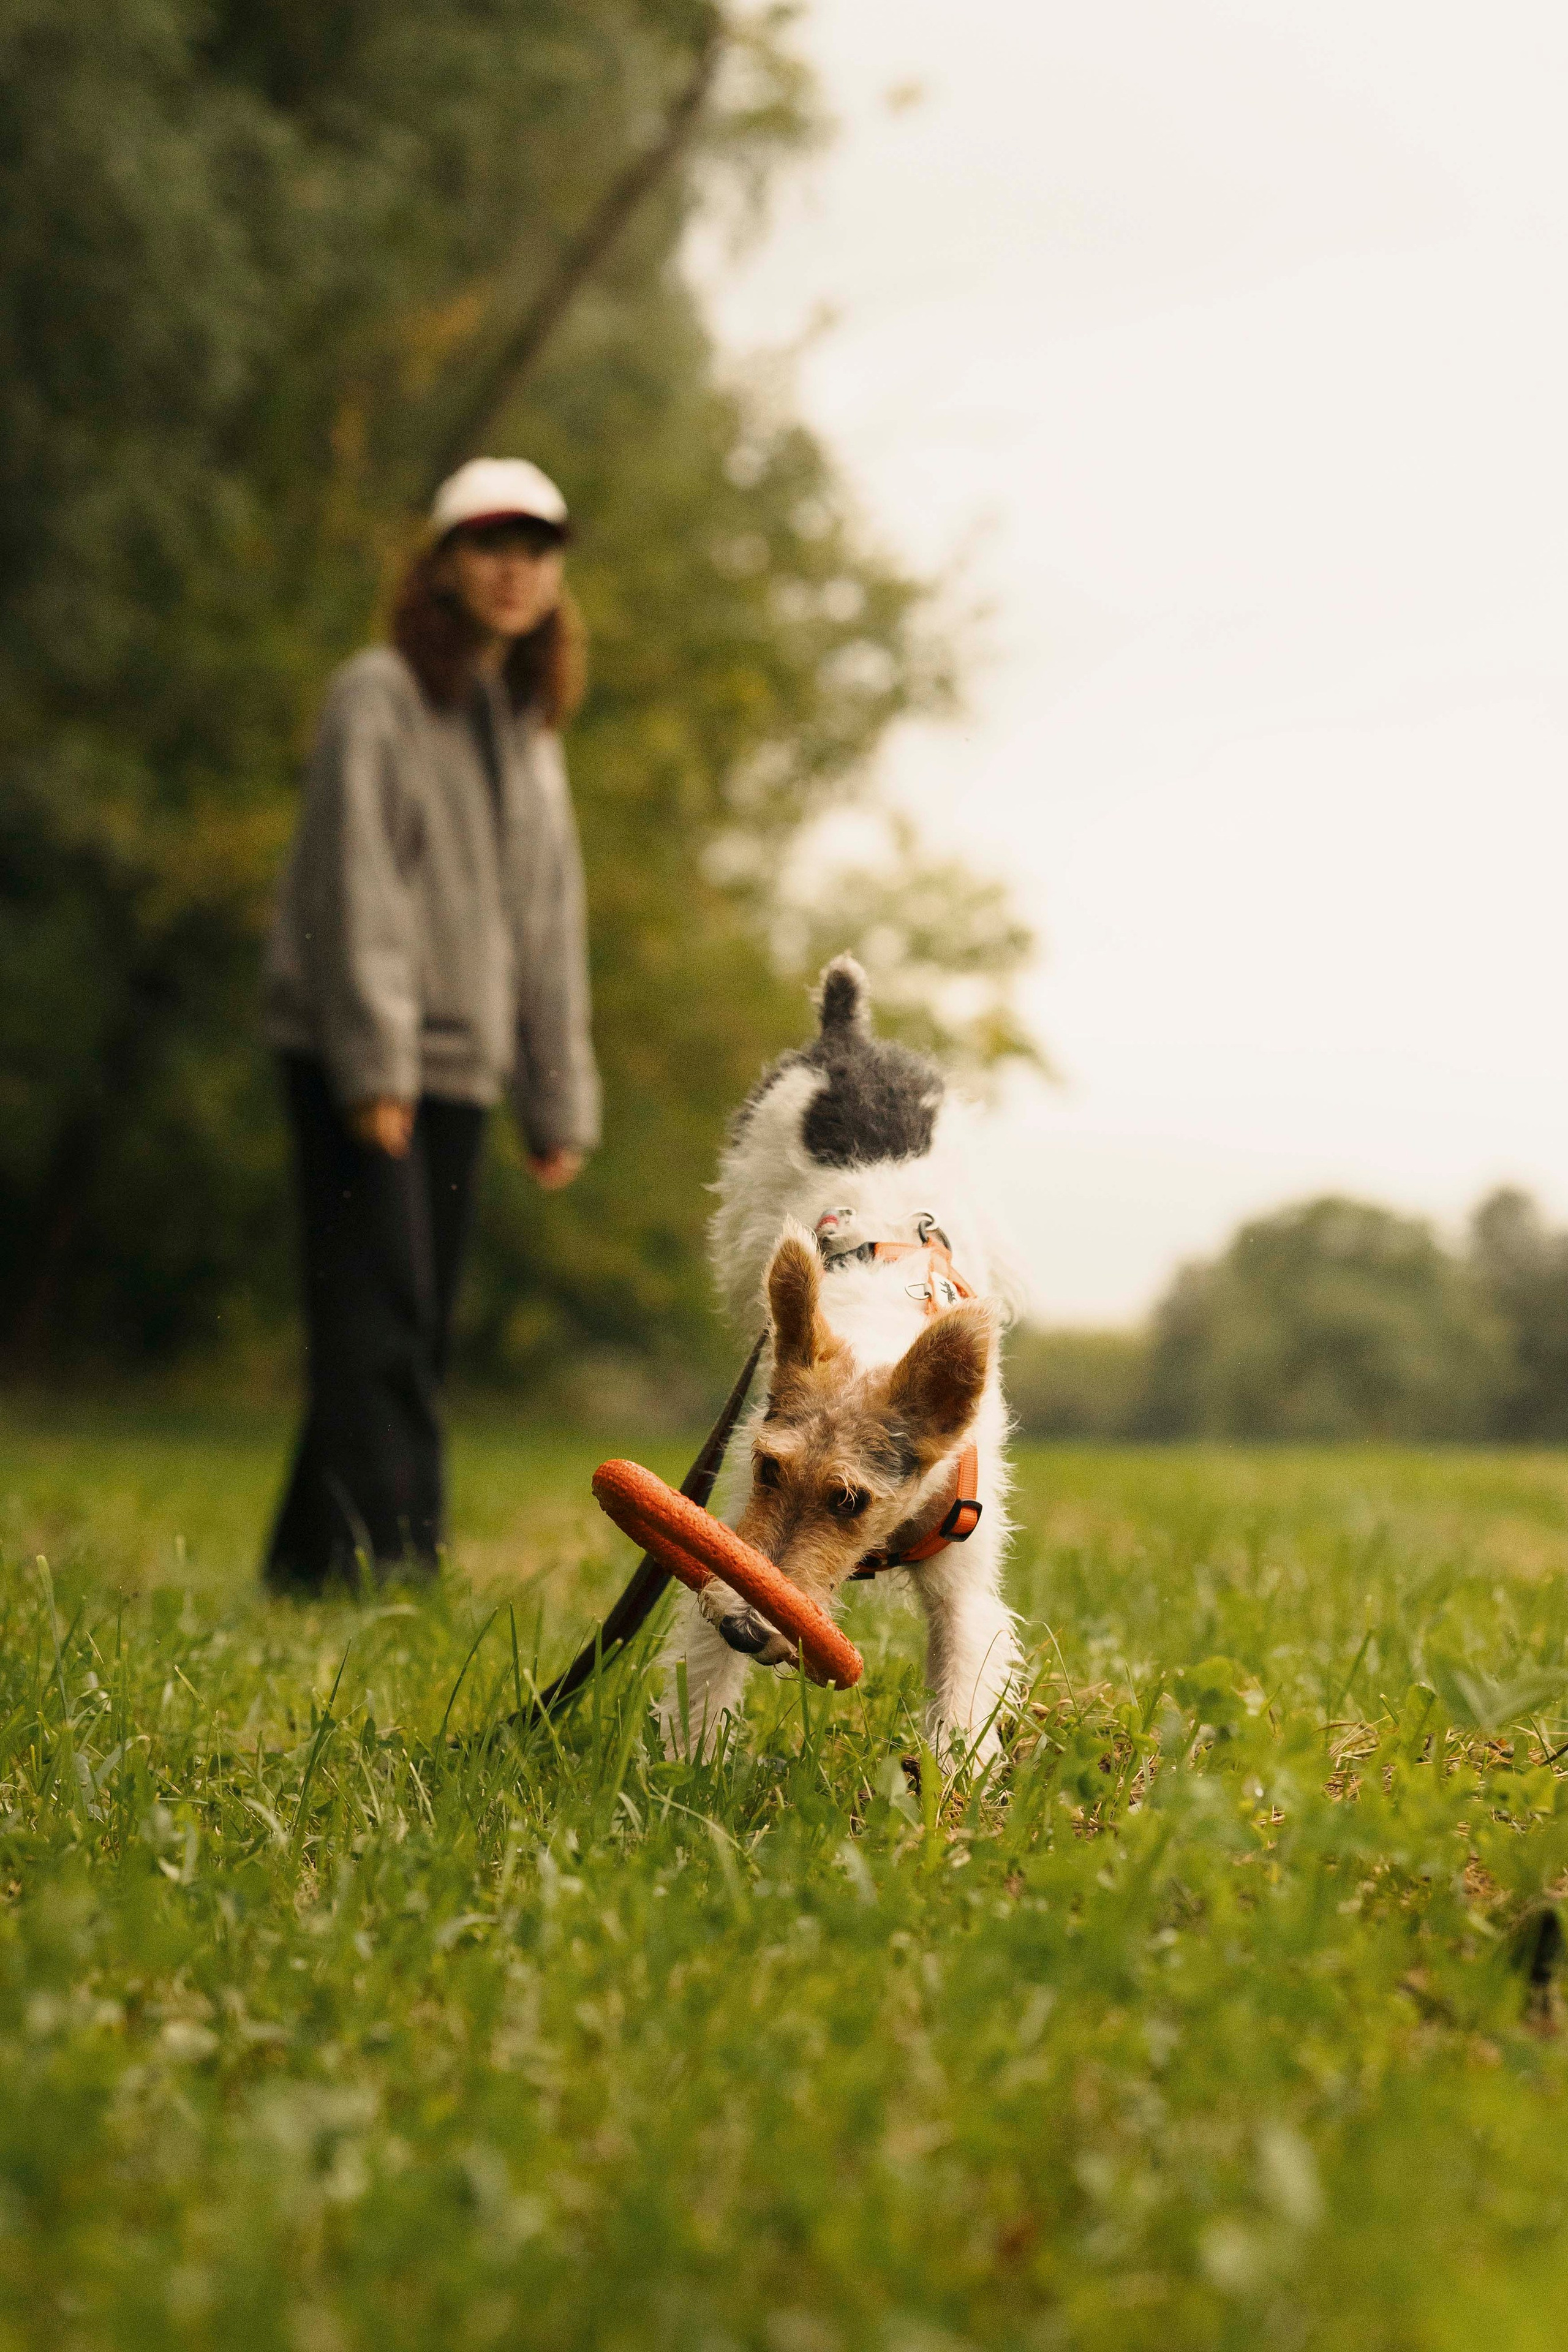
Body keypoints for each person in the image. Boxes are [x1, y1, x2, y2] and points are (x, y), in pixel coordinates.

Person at [260, 458, 600, 1591]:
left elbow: (548, 923)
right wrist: (374, 1065)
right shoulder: (379, 695)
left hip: (464, 1070)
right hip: (361, 1059)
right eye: (491, 543)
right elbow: (355, 881)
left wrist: (555, 1097)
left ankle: (307, 1570)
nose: (515, 568)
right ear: (444, 561)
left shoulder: (529, 729)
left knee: (411, 1325)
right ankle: (395, 1572)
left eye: (536, 549)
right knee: (381, 1321)